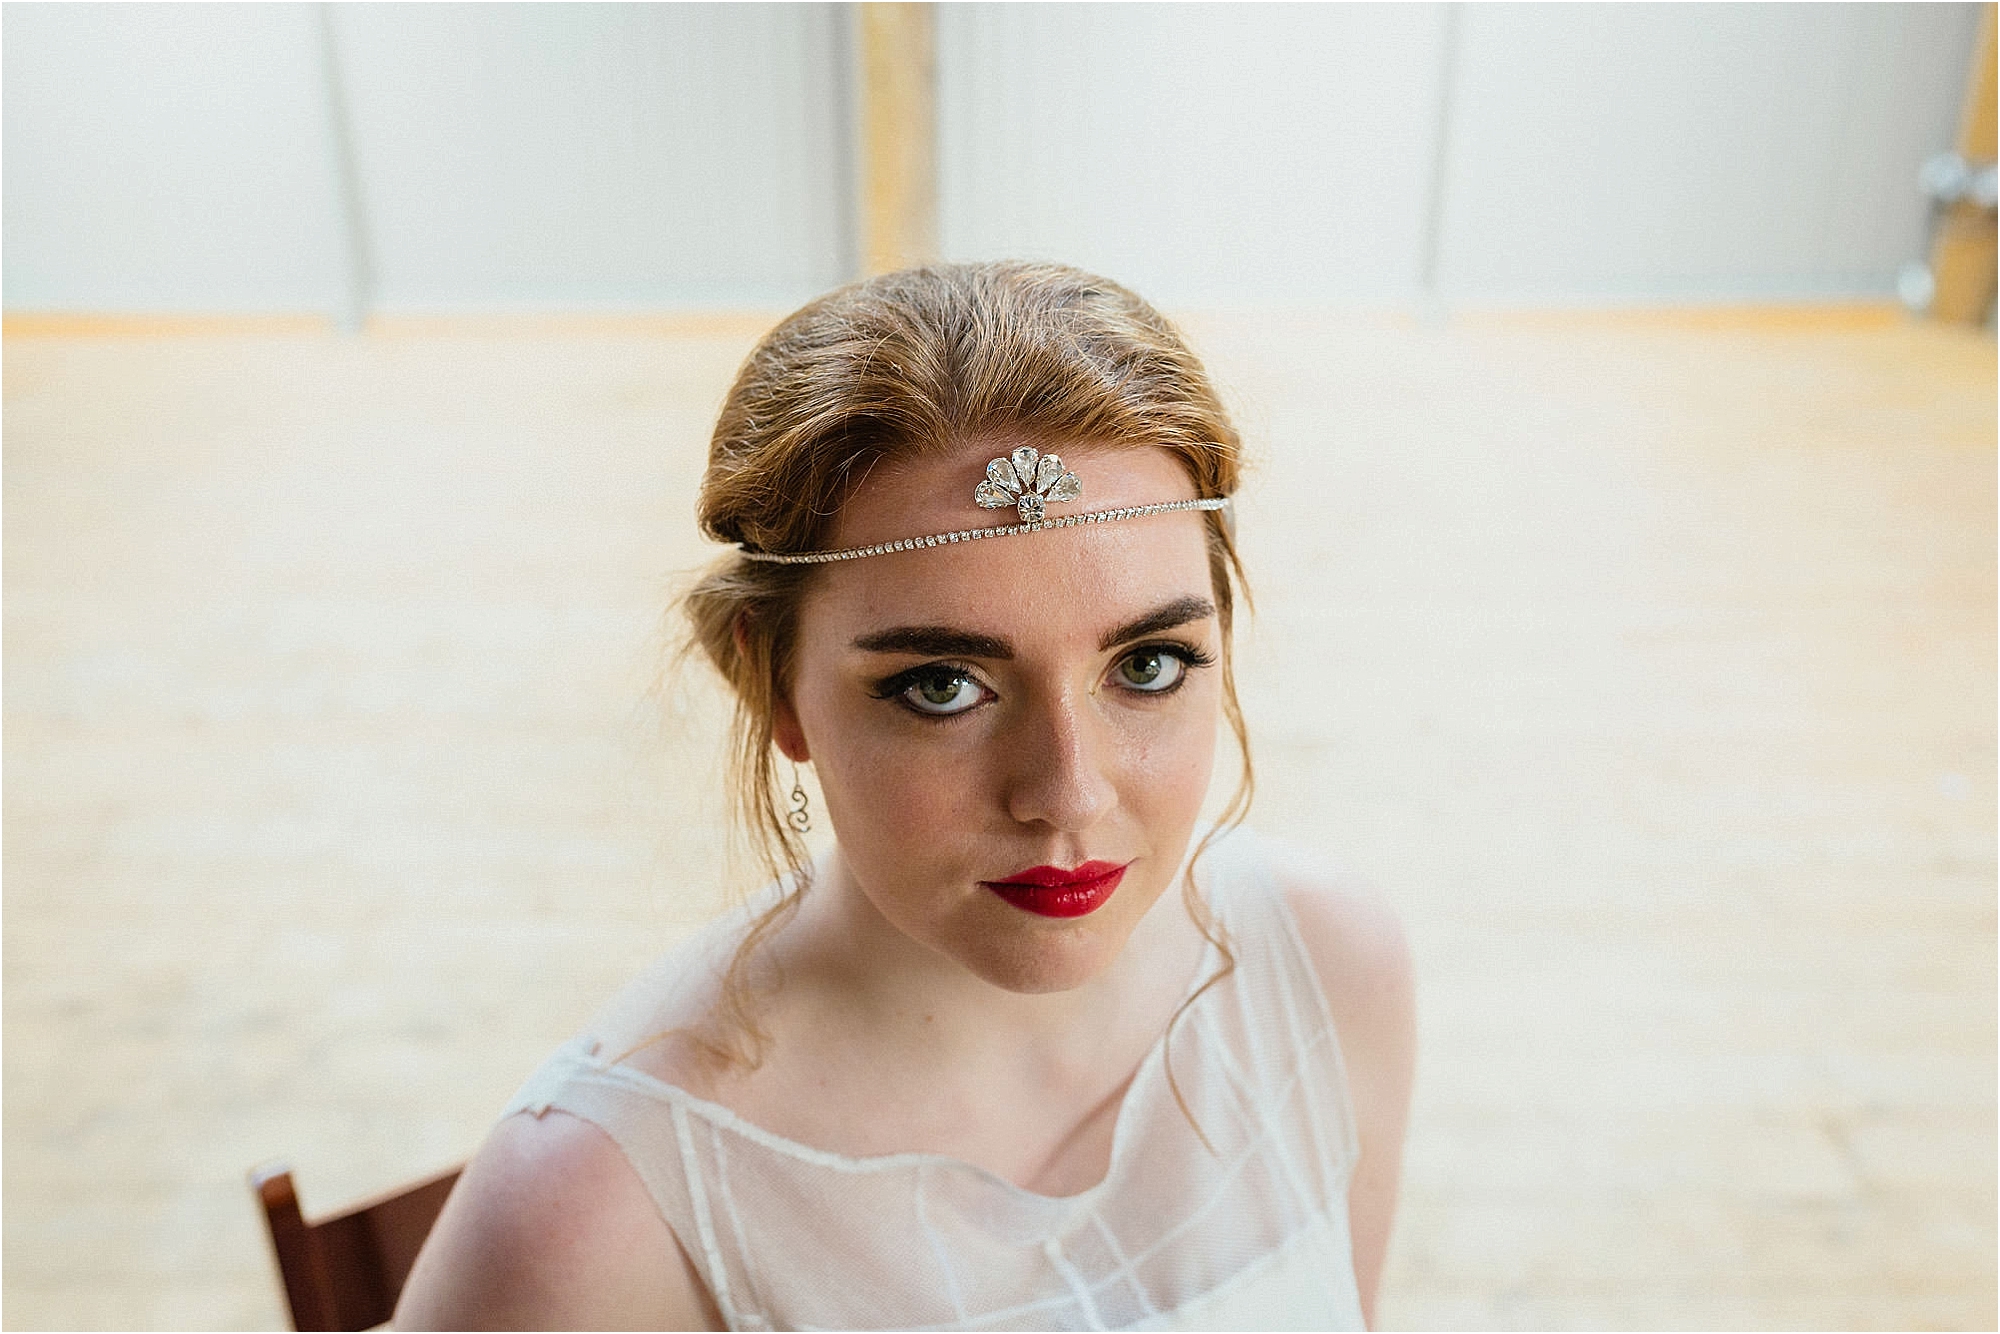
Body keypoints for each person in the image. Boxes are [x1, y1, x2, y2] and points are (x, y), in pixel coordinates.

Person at [395, 261, 1415, 1331]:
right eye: (942, 686)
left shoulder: (1330, 965)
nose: (1064, 793)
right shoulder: (584, 1218)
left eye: (1148, 664)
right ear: (767, 678)